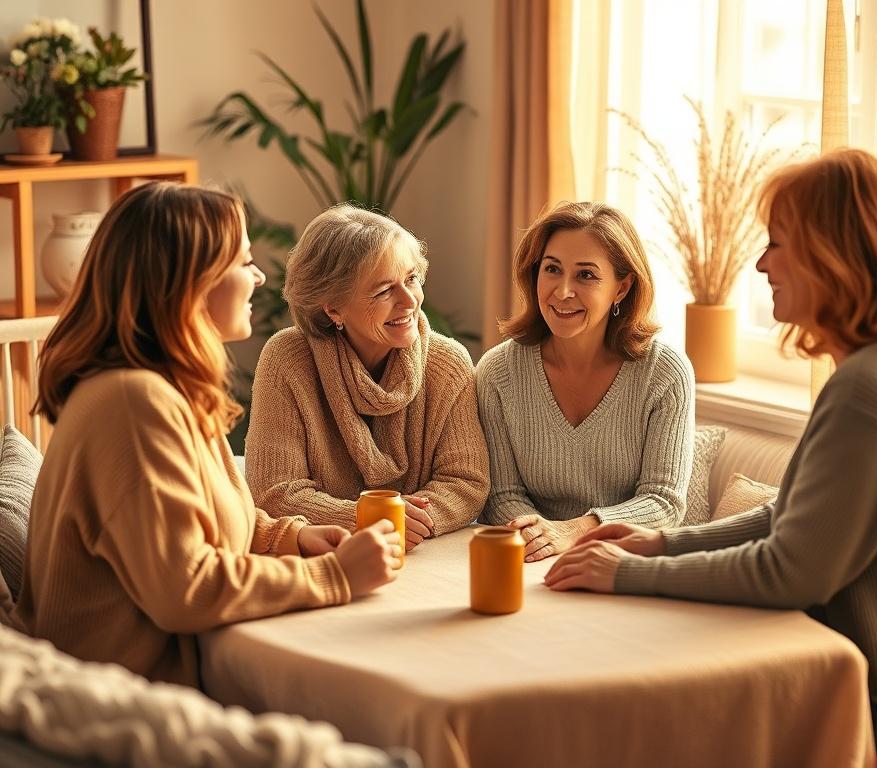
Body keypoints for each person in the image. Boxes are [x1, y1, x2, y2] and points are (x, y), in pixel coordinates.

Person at [545, 149, 877, 749]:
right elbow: (794, 521)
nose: (760, 264)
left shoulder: (871, 390)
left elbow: (790, 573)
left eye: (777, 243)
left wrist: (629, 574)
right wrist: (658, 543)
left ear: (830, 256)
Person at [15, 183, 401, 686]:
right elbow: (185, 588)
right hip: (117, 708)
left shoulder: (168, 388)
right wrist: (335, 577)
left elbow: (206, 521)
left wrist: (289, 538)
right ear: (192, 284)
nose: (259, 276)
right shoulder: (134, 405)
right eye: (243, 262)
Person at [245, 205, 489, 549]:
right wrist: (370, 517)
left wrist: (410, 521)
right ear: (333, 308)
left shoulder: (448, 363)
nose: (409, 302)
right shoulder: (287, 359)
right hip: (326, 554)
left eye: (411, 279)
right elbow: (274, 493)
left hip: (424, 551)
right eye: (384, 290)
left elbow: (465, 482)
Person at [477, 201, 695, 563]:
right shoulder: (498, 371)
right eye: (552, 269)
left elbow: (664, 502)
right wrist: (544, 543)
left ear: (621, 288)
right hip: (531, 562)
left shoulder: (665, 373)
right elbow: (501, 496)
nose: (562, 291)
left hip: (632, 565)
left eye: (586, 275)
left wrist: (574, 532)